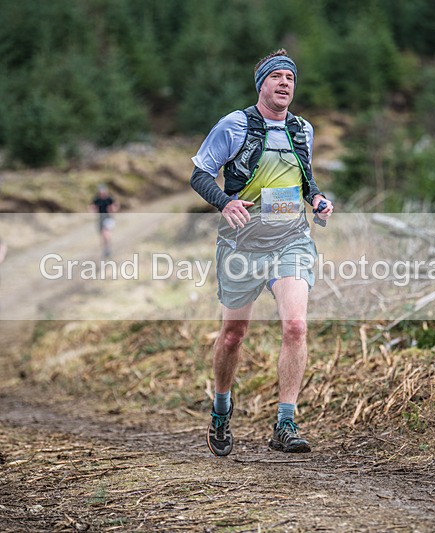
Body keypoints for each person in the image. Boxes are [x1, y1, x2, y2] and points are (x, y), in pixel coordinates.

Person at [190, 49, 333, 456]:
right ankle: (221, 407)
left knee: (295, 327)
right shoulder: (234, 125)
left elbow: (307, 181)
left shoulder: (302, 129)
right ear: (262, 85)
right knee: (234, 335)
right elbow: (199, 174)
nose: (285, 83)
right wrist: (225, 202)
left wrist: (319, 200)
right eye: (277, 77)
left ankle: (285, 423)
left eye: (290, 77)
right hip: (241, 245)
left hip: (290, 240)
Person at [89, 184, 119, 258]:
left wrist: (113, 210)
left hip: (108, 217)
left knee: (106, 233)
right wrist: (93, 210)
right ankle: (106, 248)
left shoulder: (109, 198)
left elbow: (116, 205)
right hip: (100, 217)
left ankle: (107, 248)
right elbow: (92, 206)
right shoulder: (96, 199)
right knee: (102, 235)